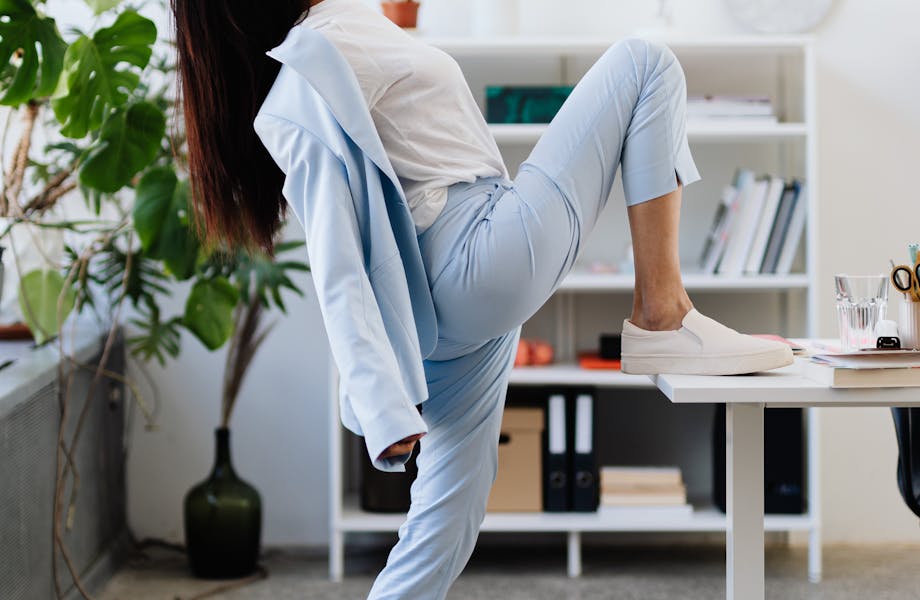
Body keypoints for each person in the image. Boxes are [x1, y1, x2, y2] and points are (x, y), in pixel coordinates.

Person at [172, 1, 793, 598]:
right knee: (645, 63)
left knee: (445, 526)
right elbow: (336, 262)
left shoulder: (335, 34)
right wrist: (381, 405)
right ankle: (663, 313)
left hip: (447, 302)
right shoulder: (310, 67)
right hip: (475, 256)